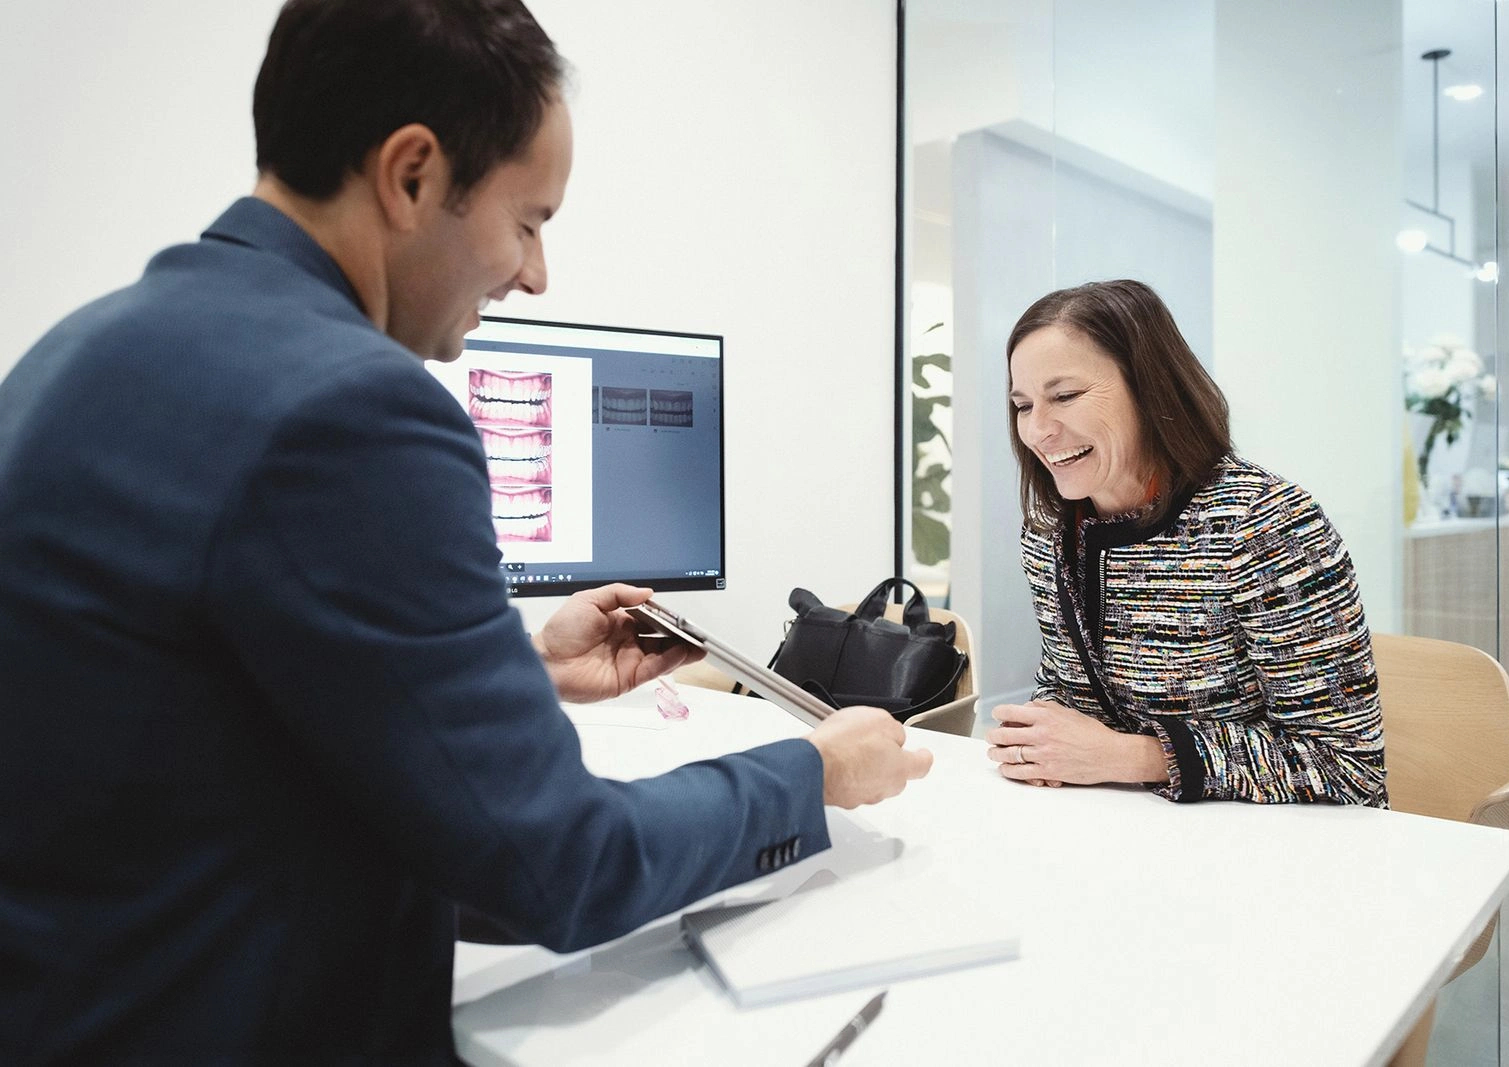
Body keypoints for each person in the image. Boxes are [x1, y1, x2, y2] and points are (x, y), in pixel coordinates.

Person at [0, 1, 931, 1061]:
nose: (535, 275)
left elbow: (208, 738)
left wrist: (520, 676)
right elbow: (554, 866)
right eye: (529, 221)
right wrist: (811, 770)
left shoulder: (71, 353)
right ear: (411, 176)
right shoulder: (352, 406)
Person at [985, 280, 1386, 806]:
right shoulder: (1050, 531)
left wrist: (1134, 758)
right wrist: (1036, 744)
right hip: (1136, 839)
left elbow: (1347, 769)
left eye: (1065, 396)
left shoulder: (1265, 523)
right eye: (1022, 405)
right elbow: (1071, 692)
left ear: (1149, 388)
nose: (1037, 430)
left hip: (1279, 856)